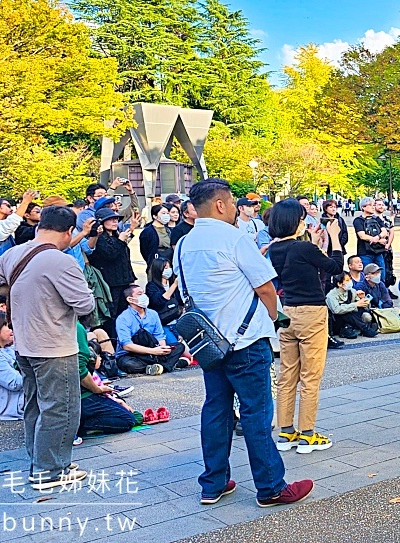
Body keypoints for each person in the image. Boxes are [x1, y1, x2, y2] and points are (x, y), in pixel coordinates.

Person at [172, 178, 312, 507]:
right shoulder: (235, 238)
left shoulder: (184, 244)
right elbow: (265, 287)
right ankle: (271, 486)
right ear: (220, 204)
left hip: (209, 343)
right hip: (245, 340)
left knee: (216, 411)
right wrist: (274, 317)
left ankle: (213, 483)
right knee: (256, 414)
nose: (236, 207)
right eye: (233, 201)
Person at [0, 205, 96, 489]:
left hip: (24, 346)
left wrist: (18, 289)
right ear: (68, 232)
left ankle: (43, 460)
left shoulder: (15, 252)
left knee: (35, 406)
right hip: (55, 346)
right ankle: (50, 471)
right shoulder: (62, 261)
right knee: (61, 408)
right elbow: (85, 304)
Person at [266, 198, 336, 455]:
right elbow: (335, 267)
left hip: (288, 312)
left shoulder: (276, 249)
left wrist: (314, 245)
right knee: (310, 376)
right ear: (295, 221)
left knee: (287, 375)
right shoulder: (303, 249)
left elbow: (302, 264)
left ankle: (286, 432)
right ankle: (308, 434)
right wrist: (335, 240)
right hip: (312, 313)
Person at [76, 322, 138, 436]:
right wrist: (97, 389)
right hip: (81, 395)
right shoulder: (75, 327)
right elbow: (80, 368)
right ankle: (80, 426)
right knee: (127, 420)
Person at [114, 285, 187, 375]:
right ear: (130, 299)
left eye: (144, 293)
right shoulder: (123, 318)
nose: (144, 296)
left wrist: (162, 349)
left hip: (153, 351)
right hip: (132, 354)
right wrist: (153, 351)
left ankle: (156, 367)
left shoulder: (153, 314)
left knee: (179, 346)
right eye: (140, 294)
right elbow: (127, 345)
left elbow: (159, 335)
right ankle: (168, 365)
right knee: (127, 363)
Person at [87, 206, 136, 323]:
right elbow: (110, 255)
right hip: (110, 283)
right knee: (112, 315)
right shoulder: (99, 238)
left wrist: (131, 278)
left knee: (125, 313)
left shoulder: (116, 236)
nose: (115, 222)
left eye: (116, 219)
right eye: (111, 219)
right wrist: (120, 240)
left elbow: (124, 258)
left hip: (124, 281)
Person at [0, 192, 35, 264]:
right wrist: (25, 202)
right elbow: (11, 223)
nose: (11, 209)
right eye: (8, 206)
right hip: (0, 269)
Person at [144, 254, 184, 345]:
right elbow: (159, 300)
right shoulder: (151, 286)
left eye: (169, 267)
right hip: (164, 324)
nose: (168, 270)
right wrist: (174, 285)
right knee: (175, 346)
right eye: (165, 268)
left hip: (178, 322)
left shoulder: (175, 286)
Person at [325, 272, 378, 339]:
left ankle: (349, 329)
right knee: (346, 313)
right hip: (337, 320)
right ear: (339, 284)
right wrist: (355, 304)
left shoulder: (352, 291)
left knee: (362, 313)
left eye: (350, 279)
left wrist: (363, 300)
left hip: (351, 318)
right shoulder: (331, 295)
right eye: (347, 280)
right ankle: (365, 328)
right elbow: (336, 310)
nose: (350, 282)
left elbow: (362, 306)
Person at [353, 198, 391, 280]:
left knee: (381, 276)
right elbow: (362, 236)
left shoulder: (377, 219)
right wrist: (379, 240)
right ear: (363, 207)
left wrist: (377, 238)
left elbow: (384, 232)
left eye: (373, 205)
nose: (373, 207)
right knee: (366, 277)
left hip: (378, 252)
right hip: (365, 253)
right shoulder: (358, 220)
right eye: (370, 205)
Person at [139, 203, 175, 269]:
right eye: (163, 213)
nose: (166, 215)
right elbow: (144, 250)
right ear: (155, 216)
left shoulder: (169, 230)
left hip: (170, 260)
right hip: (156, 263)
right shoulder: (148, 232)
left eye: (167, 213)